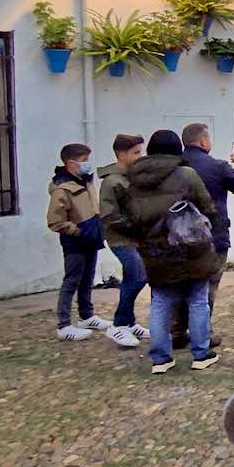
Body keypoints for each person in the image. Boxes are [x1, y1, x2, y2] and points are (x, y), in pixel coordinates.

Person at [112, 129, 221, 374]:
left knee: (160, 302)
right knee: (197, 300)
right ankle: (201, 354)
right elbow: (207, 207)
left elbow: (131, 216)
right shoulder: (186, 174)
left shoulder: (134, 178)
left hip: (155, 250)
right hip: (192, 248)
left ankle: (161, 358)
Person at [180, 123, 234, 347]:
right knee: (208, 287)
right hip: (213, 235)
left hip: (178, 235)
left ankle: (176, 331)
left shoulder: (175, 165)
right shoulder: (216, 166)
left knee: (180, 284)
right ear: (203, 142)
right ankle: (203, 332)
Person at [46, 142, 112, 341]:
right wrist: (77, 231)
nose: (87, 164)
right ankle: (64, 324)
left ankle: (87, 315)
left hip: (91, 239)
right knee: (72, 280)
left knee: (88, 278)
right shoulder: (62, 189)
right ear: (70, 164)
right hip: (75, 242)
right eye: (84, 161)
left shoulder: (86, 182)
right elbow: (55, 221)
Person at [97, 134, 150, 348]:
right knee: (138, 276)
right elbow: (109, 215)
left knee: (133, 276)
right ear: (122, 154)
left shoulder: (130, 177)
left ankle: (128, 322)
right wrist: (134, 223)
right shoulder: (112, 181)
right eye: (136, 152)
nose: (140, 156)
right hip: (121, 239)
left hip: (134, 237)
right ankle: (118, 325)